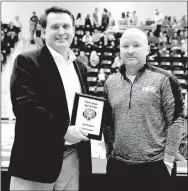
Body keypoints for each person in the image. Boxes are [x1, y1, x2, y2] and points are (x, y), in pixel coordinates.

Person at [9, 6, 92, 191]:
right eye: (55, 27)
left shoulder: (80, 67)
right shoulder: (27, 61)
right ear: (43, 31)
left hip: (74, 157)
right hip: (35, 158)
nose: (61, 32)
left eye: (66, 26)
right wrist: (63, 130)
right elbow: (25, 107)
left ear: (74, 30)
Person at [103, 28, 184, 191]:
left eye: (136, 45)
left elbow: (176, 121)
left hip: (154, 168)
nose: (130, 51)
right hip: (118, 167)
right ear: (119, 50)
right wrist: (109, 154)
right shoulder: (110, 82)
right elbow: (108, 123)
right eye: (125, 46)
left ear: (147, 49)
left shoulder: (165, 79)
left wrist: (168, 160)